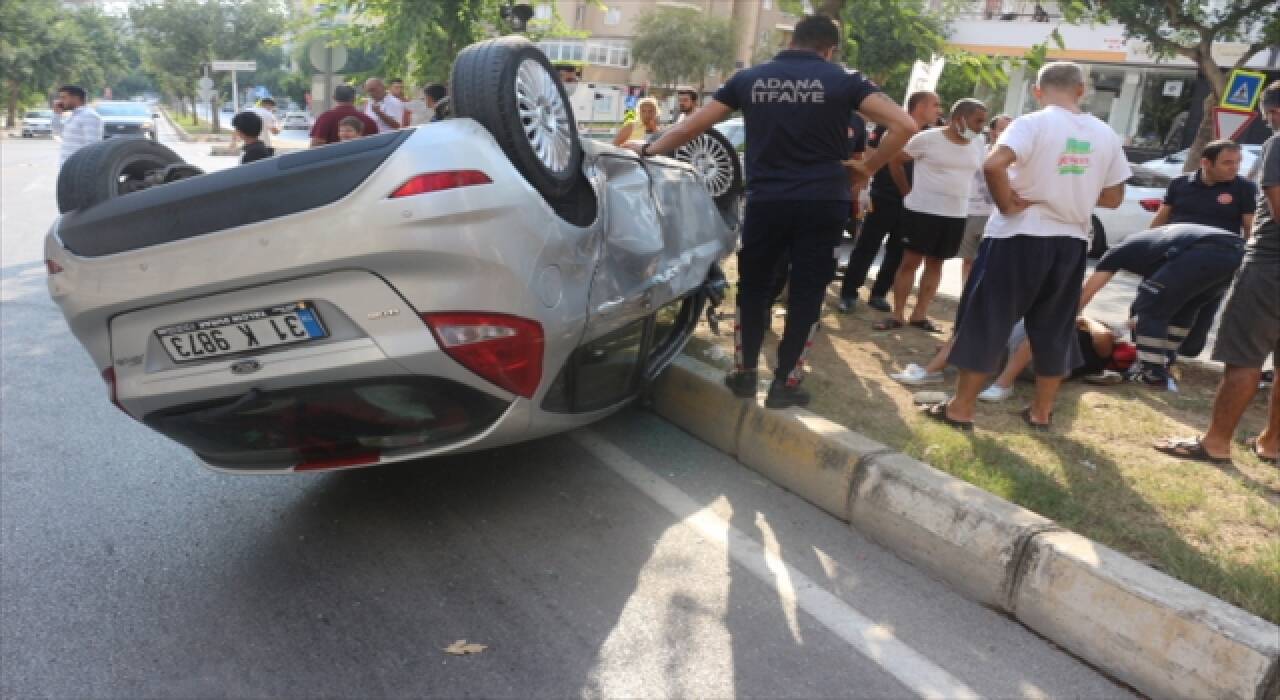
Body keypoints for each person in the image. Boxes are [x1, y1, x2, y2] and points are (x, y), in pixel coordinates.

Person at [625, 14, 918, 408]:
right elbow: (905, 124)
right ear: (829, 48)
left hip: (767, 201)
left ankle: (744, 373)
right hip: (822, 202)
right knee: (808, 291)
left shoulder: (750, 79)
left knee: (754, 285)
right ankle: (786, 383)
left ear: (792, 39)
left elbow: (690, 129)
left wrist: (645, 149)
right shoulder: (845, 80)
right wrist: (867, 168)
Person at [925, 61, 1130, 430]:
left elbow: (993, 165)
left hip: (1019, 234)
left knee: (989, 319)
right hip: (1070, 242)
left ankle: (961, 408)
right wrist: (1073, 191)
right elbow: (1115, 197)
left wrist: (1008, 203)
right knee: (1054, 327)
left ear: (1037, 90)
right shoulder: (1105, 134)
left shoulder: (1031, 123)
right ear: (1081, 90)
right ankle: (1041, 413)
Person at [1155, 81, 1280, 465]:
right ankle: (1272, 444)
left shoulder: (1279, 142)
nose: (1269, 121)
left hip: (1270, 267)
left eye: (1270, 114)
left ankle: (1216, 443)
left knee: (1244, 359)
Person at [1078, 223, 1246, 387]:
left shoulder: (1117, 251)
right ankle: (1165, 362)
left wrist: (1072, 316)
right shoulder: (1152, 249)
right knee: (1183, 310)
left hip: (1202, 250)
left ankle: (1152, 373)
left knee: (1148, 308)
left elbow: (1088, 291)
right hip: (1236, 251)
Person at [873, 98, 988, 332]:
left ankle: (919, 315)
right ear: (959, 119)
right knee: (910, 263)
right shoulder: (927, 139)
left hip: (955, 215)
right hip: (922, 212)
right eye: (977, 121)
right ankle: (897, 314)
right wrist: (907, 192)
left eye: (983, 122)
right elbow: (896, 161)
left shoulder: (978, 143)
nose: (981, 127)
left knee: (936, 264)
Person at [837, 91, 942, 313]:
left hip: (914, 201)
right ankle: (849, 292)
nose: (939, 110)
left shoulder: (933, 135)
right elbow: (869, 156)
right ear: (919, 106)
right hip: (884, 196)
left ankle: (879, 293)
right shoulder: (889, 127)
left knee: (897, 250)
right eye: (935, 105)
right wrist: (863, 189)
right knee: (868, 245)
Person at [892, 316, 1136, 399]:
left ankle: (1001, 385)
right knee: (989, 321)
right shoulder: (1079, 330)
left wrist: (1084, 319)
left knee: (1040, 326)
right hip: (1019, 352)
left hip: (1044, 361)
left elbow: (1104, 339)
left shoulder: (1101, 348)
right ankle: (933, 369)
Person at [1150, 139, 1256, 236]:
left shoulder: (1245, 187)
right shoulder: (1179, 183)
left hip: (1220, 250)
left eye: (1238, 162)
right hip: (1177, 247)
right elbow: (1160, 220)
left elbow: (1250, 229)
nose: (1235, 168)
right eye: (1227, 163)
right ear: (1205, 163)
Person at [958, 114, 1012, 282]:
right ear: (992, 131)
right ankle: (965, 297)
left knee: (993, 263)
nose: (1006, 133)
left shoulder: (1017, 158)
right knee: (969, 260)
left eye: (1010, 129)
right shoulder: (978, 149)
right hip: (972, 212)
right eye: (1002, 128)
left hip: (1000, 216)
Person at [51, 84, 103, 165]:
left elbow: (92, 147)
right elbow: (57, 131)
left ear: (75, 98)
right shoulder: (73, 115)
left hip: (77, 169)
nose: (60, 101)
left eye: (63, 98)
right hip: (66, 167)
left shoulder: (89, 116)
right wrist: (56, 114)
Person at [309, 85, 377, 147]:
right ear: (354, 98)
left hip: (334, 159)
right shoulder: (369, 121)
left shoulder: (325, 117)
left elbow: (316, 144)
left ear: (334, 98)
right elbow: (375, 145)